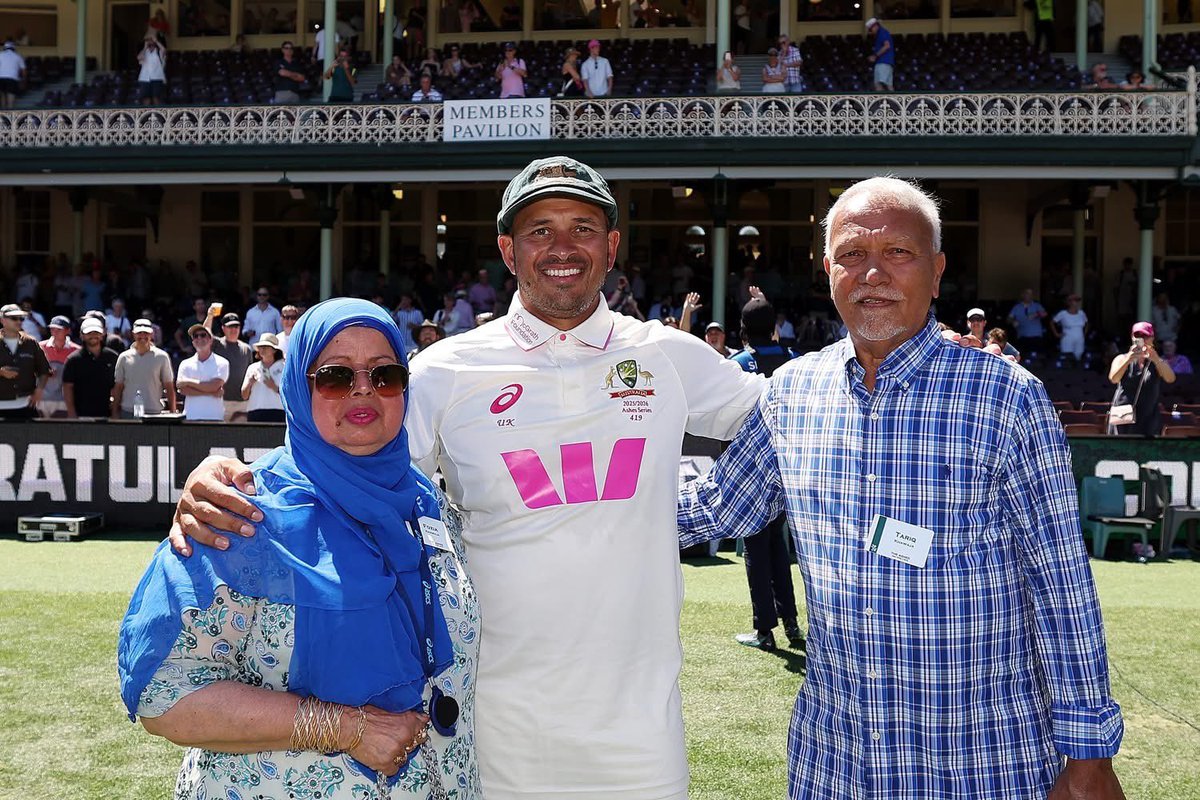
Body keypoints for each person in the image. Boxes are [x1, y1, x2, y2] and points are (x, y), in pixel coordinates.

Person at [169, 155, 765, 800]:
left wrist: (717, 509)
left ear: (612, 245)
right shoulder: (445, 370)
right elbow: (341, 459)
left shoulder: (668, 356)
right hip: (494, 721)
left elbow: (798, 412)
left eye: (583, 227)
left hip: (641, 728)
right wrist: (227, 472)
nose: (562, 247)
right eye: (539, 230)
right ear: (507, 250)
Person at [678, 176, 1126, 799]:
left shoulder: (1005, 399)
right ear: (828, 270)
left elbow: (1061, 587)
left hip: (981, 759)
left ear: (937, 272)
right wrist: (553, 499)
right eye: (853, 255)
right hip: (837, 760)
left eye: (899, 253)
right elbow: (714, 508)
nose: (873, 274)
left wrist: (1090, 757)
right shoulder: (791, 394)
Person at [118, 298, 480, 799]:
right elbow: (165, 694)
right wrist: (341, 727)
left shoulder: (427, 505)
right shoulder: (240, 512)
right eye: (333, 376)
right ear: (298, 388)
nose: (362, 390)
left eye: (385, 375)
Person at [728, 296, 802, 652]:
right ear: (774, 327)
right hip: (788, 469)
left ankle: (764, 629)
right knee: (778, 547)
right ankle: (790, 621)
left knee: (756, 551)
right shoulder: (793, 361)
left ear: (742, 329)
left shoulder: (738, 364)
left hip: (752, 472)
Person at [1108, 321, 1175, 436]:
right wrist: (1128, 359)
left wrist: (1156, 359)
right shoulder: (1121, 358)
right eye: (1137, 336)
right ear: (1132, 337)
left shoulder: (1157, 361)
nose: (1142, 339)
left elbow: (1170, 378)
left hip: (1148, 416)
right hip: (1124, 415)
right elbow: (1114, 378)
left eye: (1145, 336)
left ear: (1152, 338)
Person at [113, 318, 177, 418]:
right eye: (139, 333)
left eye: (146, 333)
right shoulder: (124, 357)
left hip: (154, 412)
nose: (142, 336)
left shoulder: (162, 357)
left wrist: (173, 412)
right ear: (133, 334)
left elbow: (169, 386)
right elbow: (118, 387)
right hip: (128, 411)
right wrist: (115, 412)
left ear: (151, 335)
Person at [0, 302, 50, 418]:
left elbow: (44, 371)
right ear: (2, 320)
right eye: (14, 318)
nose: (19, 321)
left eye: (21, 318)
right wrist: (1, 372)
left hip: (25, 406)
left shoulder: (31, 343)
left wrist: (40, 389)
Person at [63, 317, 118, 418]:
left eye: (96, 333)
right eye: (89, 333)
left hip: (106, 415)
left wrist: (115, 412)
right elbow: (67, 387)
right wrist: (71, 413)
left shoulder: (112, 357)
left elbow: (116, 386)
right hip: (81, 415)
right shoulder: (73, 360)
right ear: (82, 335)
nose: (93, 336)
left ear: (102, 334)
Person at [176, 323, 229, 421]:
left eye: (203, 335)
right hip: (191, 417)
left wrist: (188, 381)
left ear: (211, 340)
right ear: (193, 342)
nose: (199, 338)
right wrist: (210, 392)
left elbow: (213, 386)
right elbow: (182, 390)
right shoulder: (185, 363)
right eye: (196, 336)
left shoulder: (222, 362)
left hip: (214, 417)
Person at [211, 313, 254, 422]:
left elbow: (249, 373)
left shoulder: (247, 349)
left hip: (242, 402)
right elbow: (204, 333)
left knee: (240, 437)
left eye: (236, 326)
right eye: (230, 326)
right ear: (223, 328)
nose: (233, 329)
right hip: (221, 401)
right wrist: (210, 315)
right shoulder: (216, 344)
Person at [39, 315, 80, 417]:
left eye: (59, 329)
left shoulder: (77, 351)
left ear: (68, 331)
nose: (54, 332)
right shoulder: (39, 347)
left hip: (65, 401)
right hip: (41, 400)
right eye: (52, 329)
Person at [241, 332, 285, 422]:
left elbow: (290, 394)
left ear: (274, 350)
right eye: (260, 347)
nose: (262, 349)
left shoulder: (284, 367)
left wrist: (274, 387)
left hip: (278, 412)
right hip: (255, 412)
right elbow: (244, 396)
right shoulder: (252, 367)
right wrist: (250, 383)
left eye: (266, 346)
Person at [1007, 287, 1048, 358]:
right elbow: (1008, 319)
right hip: (1022, 336)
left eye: (1031, 294)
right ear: (1022, 295)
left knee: (1035, 357)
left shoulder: (1037, 305)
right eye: (1027, 294)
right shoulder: (1017, 307)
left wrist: (1036, 314)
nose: (1029, 296)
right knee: (1023, 357)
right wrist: (1013, 321)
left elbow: (1045, 314)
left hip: (1036, 335)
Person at [1051, 293, 1088, 361]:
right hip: (1067, 337)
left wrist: (1084, 333)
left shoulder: (1081, 313)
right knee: (1067, 356)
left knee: (1078, 356)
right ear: (1069, 302)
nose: (1076, 303)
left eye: (1077, 301)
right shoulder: (1063, 313)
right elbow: (1052, 322)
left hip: (1079, 338)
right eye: (1074, 301)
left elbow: (1086, 323)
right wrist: (1056, 334)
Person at [137, 36, 167, 106]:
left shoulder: (159, 52)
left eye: (151, 40)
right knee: (145, 98)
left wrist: (156, 41)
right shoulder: (144, 52)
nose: (149, 42)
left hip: (157, 77)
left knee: (156, 98)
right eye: (148, 40)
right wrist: (145, 47)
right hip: (145, 78)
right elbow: (139, 57)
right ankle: (146, 115)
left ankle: (156, 115)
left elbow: (164, 50)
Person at [866, 17, 894, 91]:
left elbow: (887, 46)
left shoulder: (882, 33)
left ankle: (883, 101)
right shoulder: (880, 34)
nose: (870, 32)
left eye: (870, 29)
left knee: (879, 84)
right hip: (886, 62)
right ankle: (892, 101)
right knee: (888, 85)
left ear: (875, 26)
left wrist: (875, 56)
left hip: (883, 61)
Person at [0, 40, 25, 110]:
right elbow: (24, 71)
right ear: (13, 48)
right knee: (10, 103)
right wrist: (23, 81)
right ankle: (10, 118)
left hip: (1, 78)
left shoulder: (0, 54)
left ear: (4, 48)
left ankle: (2, 118)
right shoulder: (18, 56)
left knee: (2, 98)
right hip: (12, 79)